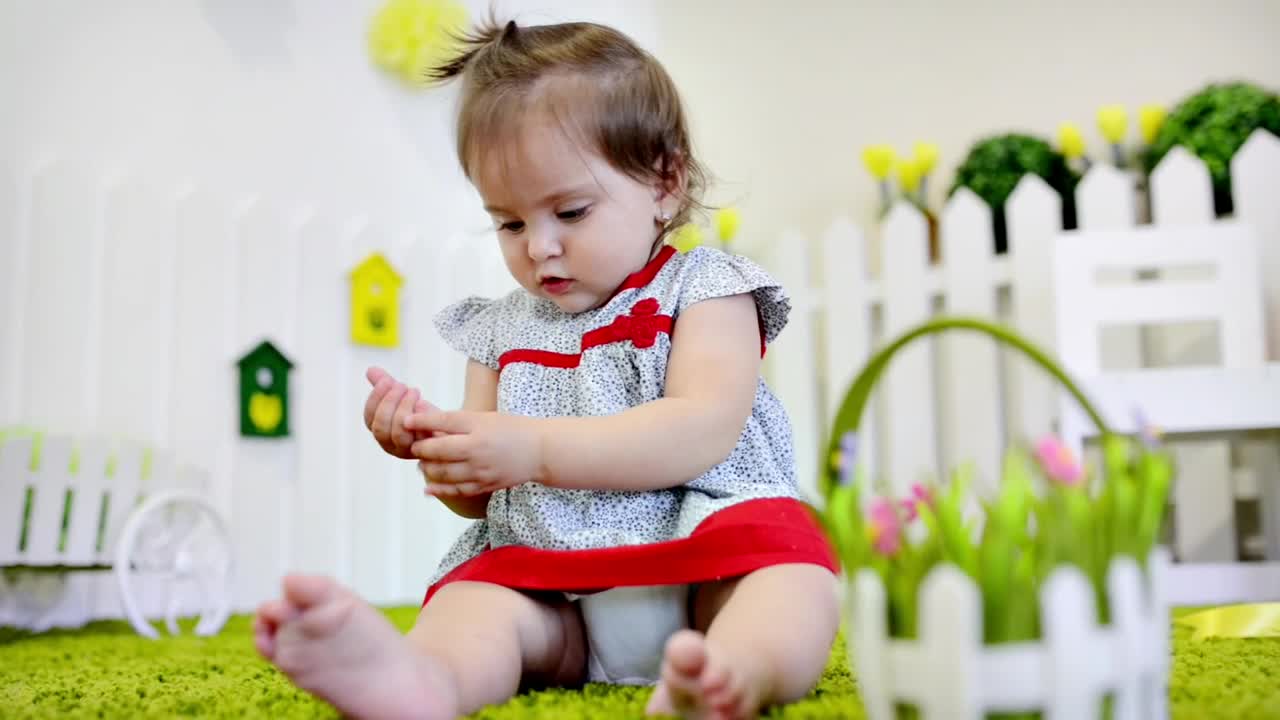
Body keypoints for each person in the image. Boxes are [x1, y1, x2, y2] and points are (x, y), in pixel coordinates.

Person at [252, 17, 838, 720]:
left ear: (665, 181)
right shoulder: (497, 329)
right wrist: (444, 454)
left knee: (791, 585)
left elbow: (702, 428)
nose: (540, 248)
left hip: (704, 555)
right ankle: (425, 681)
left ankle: (733, 675)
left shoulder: (708, 290)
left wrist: (532, 447)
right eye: (510, 223)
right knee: (478, 605)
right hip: (556, 590)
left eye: (570, 210)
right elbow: (483, 497)